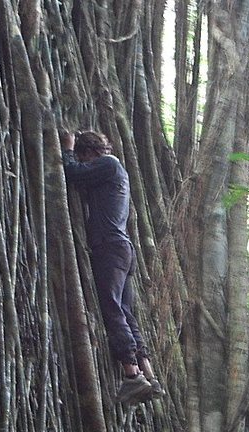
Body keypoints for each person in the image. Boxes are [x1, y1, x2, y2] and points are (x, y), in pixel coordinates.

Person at [60, 130, 163, 404]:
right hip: (120, 249)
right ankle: (149, 375)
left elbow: (73, 172)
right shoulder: (111, 173)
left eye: (84, 155)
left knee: (112, 307)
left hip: (110, 247)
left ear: (89, 152)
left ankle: (132, 374)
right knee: (126, 312)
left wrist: (68, 149)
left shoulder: (109, 164)